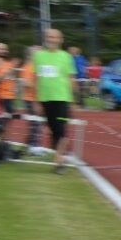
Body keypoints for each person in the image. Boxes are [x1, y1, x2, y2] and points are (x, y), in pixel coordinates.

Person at [31, 28, 79, 173]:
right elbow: (35, 79)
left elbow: (71, 79)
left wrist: (74, 100)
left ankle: (59, 161)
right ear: (45, 39)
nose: (51, 39)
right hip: (45, 99)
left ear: (60, 39)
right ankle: (59, 155)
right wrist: (36, 101)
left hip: (62, 98)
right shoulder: (38, 56)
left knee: (61, 129)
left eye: (54, 37)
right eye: (49, 37)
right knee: (53, 130)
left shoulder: (66, 57)